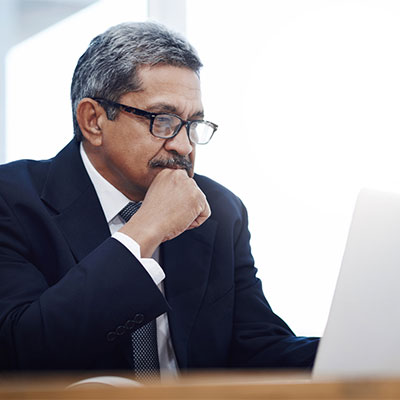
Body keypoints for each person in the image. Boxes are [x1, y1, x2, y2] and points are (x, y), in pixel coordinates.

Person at [0, 22, 318, 376]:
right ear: (93, 121)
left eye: (193, 124)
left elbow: (257, 348)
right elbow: (19, 351)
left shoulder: (219, 209)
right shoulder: (12, 201)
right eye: (162, 121)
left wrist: (362, 348)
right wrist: (145, 229)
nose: (183, 146)